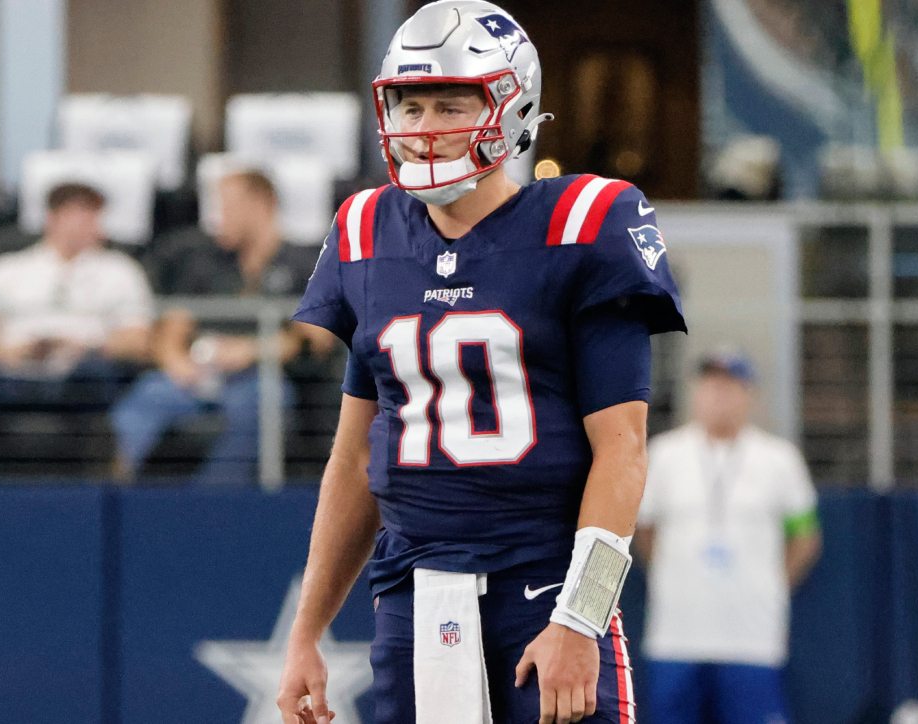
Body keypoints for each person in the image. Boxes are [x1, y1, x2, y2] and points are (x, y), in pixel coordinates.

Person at [276, 3, 685, 724]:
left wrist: (581, 617)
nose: (426, 125)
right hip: (412, 593)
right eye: (410, 104)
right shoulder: (367, 235)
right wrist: (304, 633)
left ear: (511, 104)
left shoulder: (583, 223)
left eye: (450, 103)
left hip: (542, 586)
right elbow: (353, 460)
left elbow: (621, 448)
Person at [633, 349, 823, 724]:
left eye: (729, 387)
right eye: (710, 386)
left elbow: (805, 537)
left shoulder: (779, 459)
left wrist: (772, 585)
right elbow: (644, 529)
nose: (718, 396)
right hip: (676, 636)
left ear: (749, 394)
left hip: (751, 640)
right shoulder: (664, 454)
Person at [111, 169, 336, 483]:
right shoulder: (206, 262)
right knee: (144, 399)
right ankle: (123, 499)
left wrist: (252, 351)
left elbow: (318, 336)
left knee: (265, 401)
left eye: (227, 207)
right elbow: (173, 326)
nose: (218, 218)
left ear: (260, 204)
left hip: (262, 376)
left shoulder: (304, 261)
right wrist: (176, 362)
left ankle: (212, 500)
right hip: (200, 374)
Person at [0, 182, 153, 474]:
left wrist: (84, 347)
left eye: (92, 216)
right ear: (52, 219)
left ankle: (94, 489)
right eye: (76, 215)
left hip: (81, 371)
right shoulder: (8, 270)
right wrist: (7, 351)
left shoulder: (121, 272)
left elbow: (137, 341)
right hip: (13, 371)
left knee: (96, 376)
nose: (86, 225)